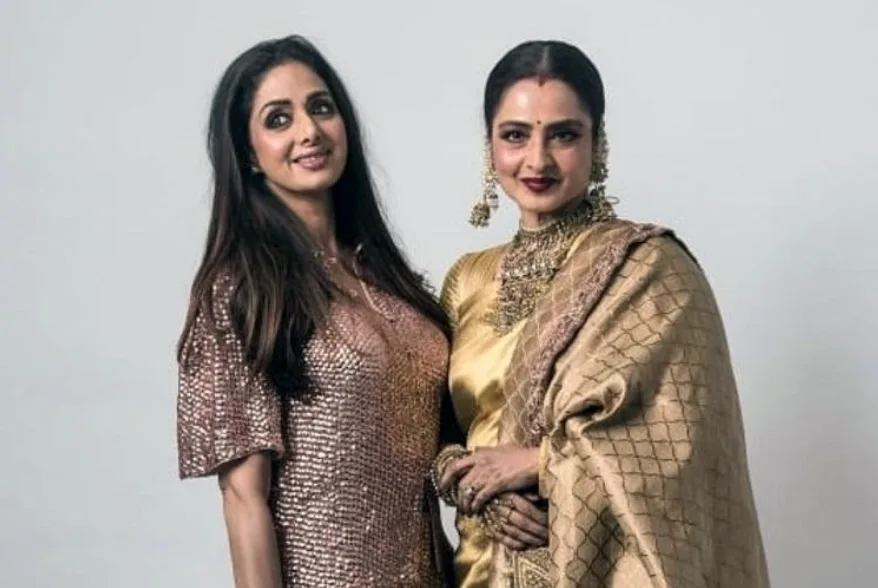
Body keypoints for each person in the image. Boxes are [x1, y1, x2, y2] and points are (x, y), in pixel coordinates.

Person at [434, 40, 770, 588]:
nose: (537, 160)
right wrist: (476, 489)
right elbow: (436, 433)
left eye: (563, 135)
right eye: (515, 135)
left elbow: (681, 446)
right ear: (489, 145)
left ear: (598, 143)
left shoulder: (651, 270)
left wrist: (537, 463)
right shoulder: (468, 278)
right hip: (481, 568)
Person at [175, 34, 455, 587]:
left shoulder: (384, 276)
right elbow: (244, 499)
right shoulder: (243, 290)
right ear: (248, 154)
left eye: (321, 107)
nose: (309, 131)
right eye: (278, 119)